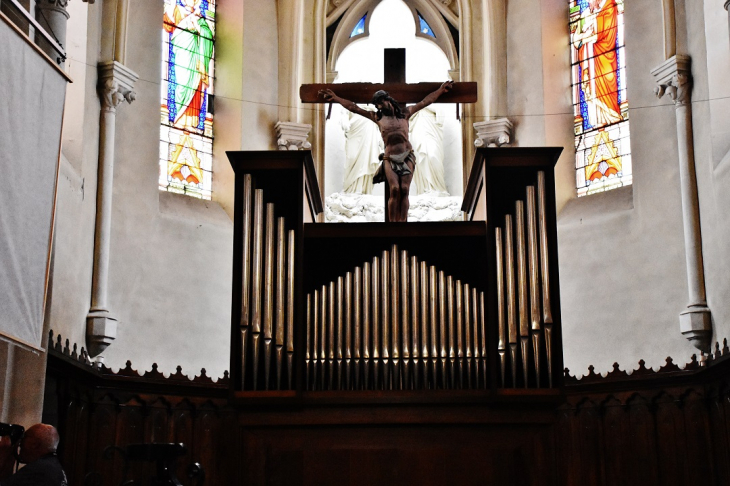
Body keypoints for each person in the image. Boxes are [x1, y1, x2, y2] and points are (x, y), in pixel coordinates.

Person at [320, 80, 454, 222]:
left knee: (404, 189)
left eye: (380, 103)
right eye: (377, 105)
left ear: (387, 100)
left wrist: (440, 90)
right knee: (395, 189)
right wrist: (336, 98)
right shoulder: (378, 117)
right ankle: (392, 224)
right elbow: (354, 108)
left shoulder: (405, 113)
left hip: (407, 156)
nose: (379, 107)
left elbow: (425, 102)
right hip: (389, 158)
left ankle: (402, 222)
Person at [164, 0, 214, 186]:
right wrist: (185, 24)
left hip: (196, 61)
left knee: (196, 90)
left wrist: (201, 29)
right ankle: (178, 121)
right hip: (183, 55)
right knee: (181, 84)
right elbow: (167, 24)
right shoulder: (176, 10)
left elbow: (208, 35)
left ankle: (192, 123)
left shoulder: (201, 19)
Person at [0, 424, 68, 486]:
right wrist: (9, 462)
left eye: (25, 437)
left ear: (34, 444)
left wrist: (2, 456)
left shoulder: (39, 469)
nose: (20, 443)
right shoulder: (52, 466)